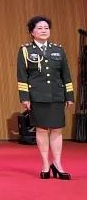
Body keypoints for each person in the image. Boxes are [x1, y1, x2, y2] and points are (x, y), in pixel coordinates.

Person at [17, 15, 74, 179]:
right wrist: (25, 97)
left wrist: (69, 95)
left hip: (56, 94)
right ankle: (44, 165)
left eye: (46, 28)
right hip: (37, 96)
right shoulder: (25, 50)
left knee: (57, 129)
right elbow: (22, 76)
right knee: (41, 130)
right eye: (40, 28)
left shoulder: (58, 50)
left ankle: (57, 164)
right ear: (32, 32)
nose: (44, 31)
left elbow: (66, 75)